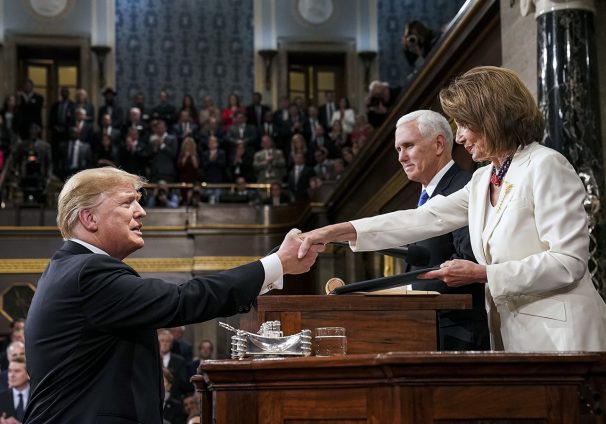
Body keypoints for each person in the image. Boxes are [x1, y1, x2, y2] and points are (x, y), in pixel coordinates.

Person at [298, 66, 606, 352]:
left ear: (492, 117)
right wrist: (335, 231)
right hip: (515, 338)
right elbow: (423, 218)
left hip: (565, 337)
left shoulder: (545, 165)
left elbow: (567, 263)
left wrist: (484, 273)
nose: (459, 137)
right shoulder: (484, 177)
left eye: (464, 124)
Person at [24, 167, 322, 422]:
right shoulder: (87, 273)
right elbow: (182, 300)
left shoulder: (73, 269)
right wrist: (277, 264)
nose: (142, 212)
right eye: (128, 203)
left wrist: (275, 263)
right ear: (89, 218)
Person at [393, 109, 489, 351]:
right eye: (398, 149)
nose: (401, 157)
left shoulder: (465, 187)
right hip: (429, 330)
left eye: (408, 146)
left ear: (438, 144)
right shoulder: (426, 195)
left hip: (460, 336)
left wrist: (405, 292)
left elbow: (469, 259)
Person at [0, 356, 29, 423]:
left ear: (28, 374)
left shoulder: (38, 397)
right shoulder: (1, 397)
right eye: (10, 371)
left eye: (17, 371)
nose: (11, 375)